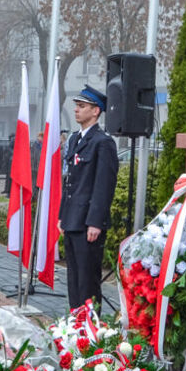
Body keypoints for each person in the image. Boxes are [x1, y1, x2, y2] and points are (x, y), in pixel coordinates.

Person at [60, 85, 119, 309]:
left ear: (96, 111)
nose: (76, 110)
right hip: (72, 219)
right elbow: (70, 181)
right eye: (76, 105)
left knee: (87, 282)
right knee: (74, 279)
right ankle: (75, 327)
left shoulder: (103, 143)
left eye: (82, 106)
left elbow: (103, 186)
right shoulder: (75, 139)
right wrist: (62, 215)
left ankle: (91, 331)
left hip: (88, 223)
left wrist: (95, 221)